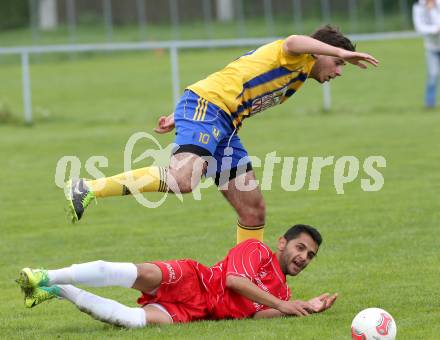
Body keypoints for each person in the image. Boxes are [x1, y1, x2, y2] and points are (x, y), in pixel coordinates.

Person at [66, 25, 378, 244]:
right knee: (183, 179)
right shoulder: (298, 55)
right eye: (338, 63)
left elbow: (237, 74)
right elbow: (295, 40)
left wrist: (179, 116)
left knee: (253, 209)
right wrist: (342, 51)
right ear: (320, 53)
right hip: (209, 109)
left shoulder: (297, 80)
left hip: (223, 124)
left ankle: (245, 280)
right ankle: (87, 187)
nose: (338, 71)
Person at [17, 224, 336, 327]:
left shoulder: (280, 293)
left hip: (198, 312)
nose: (303, 257)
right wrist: (283, 305)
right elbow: (234, 281)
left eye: (310, 255)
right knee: (134, 272)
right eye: (299, 247)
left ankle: (57, 288)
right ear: (282, 243)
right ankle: (45, 274)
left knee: (131, 320)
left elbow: (257, 314)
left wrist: (304, 305)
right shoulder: (257, 250)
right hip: (194, 279)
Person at [413, 0, 440, 108]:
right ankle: (429, 105)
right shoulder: (418, 6)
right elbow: (419, 27)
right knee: (432, 76)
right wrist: (435, 29)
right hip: (431, 47)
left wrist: (433, 10)